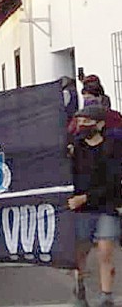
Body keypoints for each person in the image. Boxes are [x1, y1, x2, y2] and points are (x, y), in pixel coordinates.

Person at [69, 105, 122, 307]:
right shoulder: (74, 148)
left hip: (105, 206)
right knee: (79, 252)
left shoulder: (112, 148)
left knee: (105, 250)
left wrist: (85, 197)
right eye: (79, 121)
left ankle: (106, 295)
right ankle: (79, 287)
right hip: (80, 210)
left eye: (86, 121)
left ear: (99, 124)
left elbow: (113, 182)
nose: (81, 125)